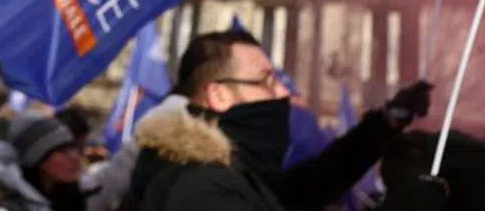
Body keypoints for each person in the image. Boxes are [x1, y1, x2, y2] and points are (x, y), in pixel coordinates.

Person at [122, 28, 433, 210]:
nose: (283, 92)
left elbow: (314, 183)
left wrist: (385, 122)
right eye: (266, 80)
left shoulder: (226, 173)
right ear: (219, 96)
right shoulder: (201, 188)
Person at [0, 112, 141, 211]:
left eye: (73, 148)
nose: (74, 156)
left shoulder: (86, 197)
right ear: (38, 160)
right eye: (62, 151)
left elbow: (124, 165)